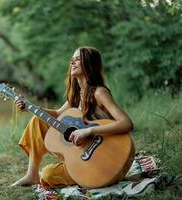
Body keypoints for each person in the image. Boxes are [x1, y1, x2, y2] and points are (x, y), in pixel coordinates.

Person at [11, 46, 133, 187]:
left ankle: (80, 172)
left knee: (47, 174)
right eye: (71, 60)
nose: (72, 63)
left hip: (106, 159)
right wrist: (30, 106)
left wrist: (89, 131)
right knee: (37, 120)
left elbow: (126, 123)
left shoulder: (99, 92)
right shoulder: (77, 94)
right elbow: (57, 114)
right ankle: (32, 175)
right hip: (84, 155)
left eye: (77, 59)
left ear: (89, 63)